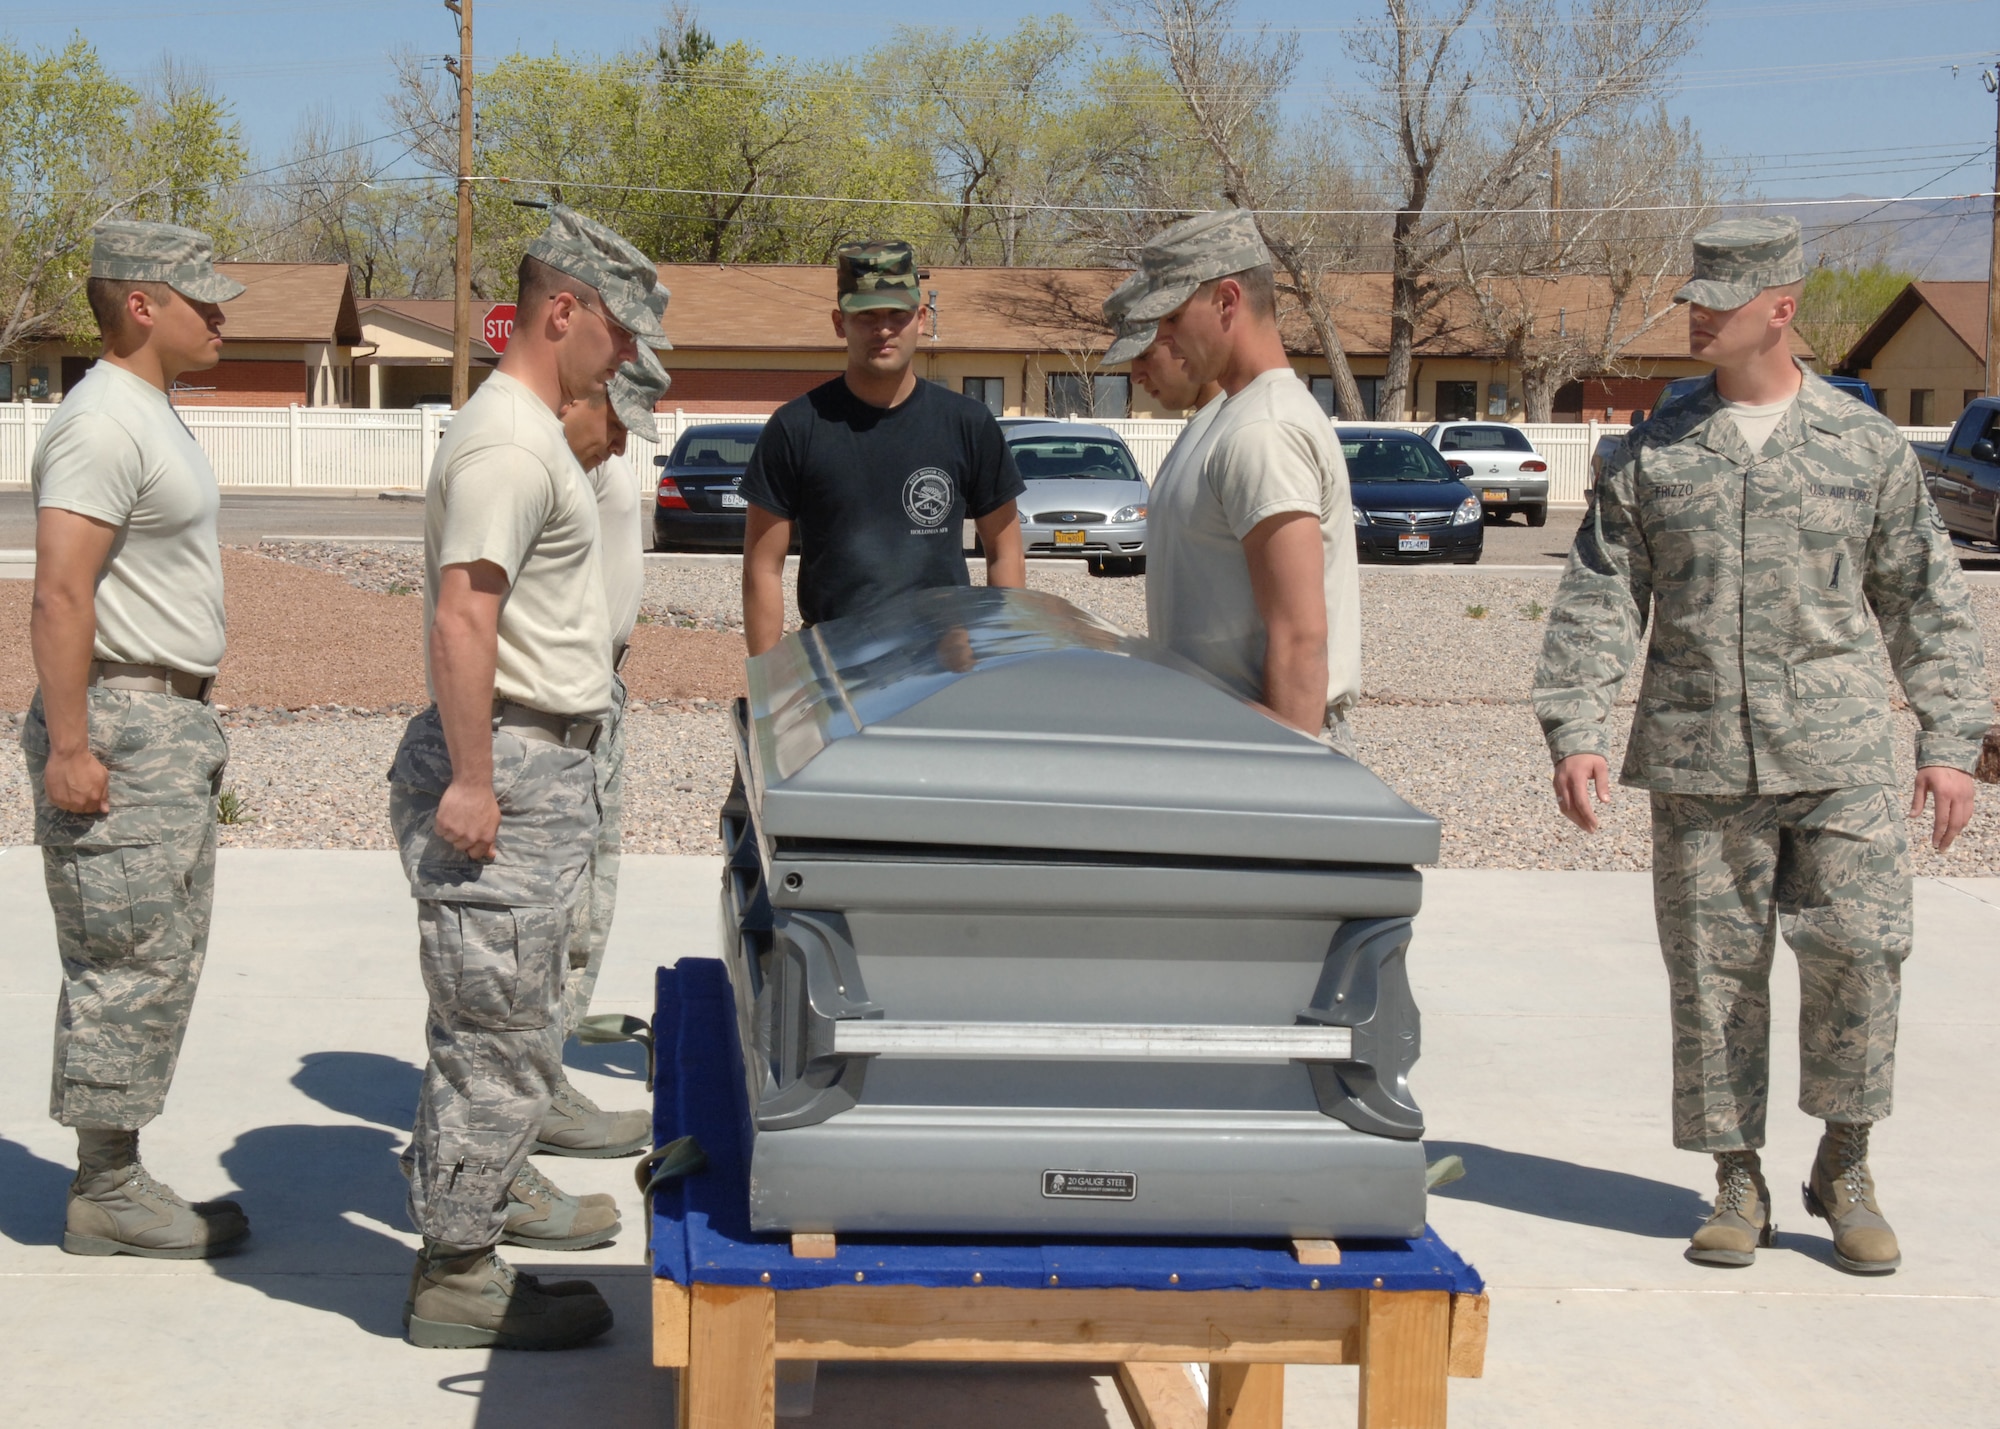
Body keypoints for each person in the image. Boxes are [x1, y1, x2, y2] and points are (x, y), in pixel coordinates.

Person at [1533, 216, 1991, 1275]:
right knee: (1712, 976)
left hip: (1838, 760)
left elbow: (1923, 599)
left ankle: (1845, 1165)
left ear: (1777, 308)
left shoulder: (1861, 446)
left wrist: (1947, 743)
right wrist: (1575, 726)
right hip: (1698, 762)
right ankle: (1734, 1176)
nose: (1692, 313)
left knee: (1862, 962)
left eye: (1715, 298)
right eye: (1691, 294)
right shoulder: (1650, 454)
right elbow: (1600, 598)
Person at [387, 205, 667, 1350]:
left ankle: (477, 1228)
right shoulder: (508, 441)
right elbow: (467, 610)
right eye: (616, 330)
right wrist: (470, 778)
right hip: (506, 754)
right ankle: (456, 1273)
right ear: (565, 310)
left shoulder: (531, 431)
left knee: (502, 1020)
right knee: (492, 1033)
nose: (625, 358)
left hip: (541, 755)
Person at [22, 220, 249, 1260]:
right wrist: (71, 745)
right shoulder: (103, 421)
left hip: (163, 722)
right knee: (123, 959)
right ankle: (105, 1185)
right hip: (120, 718)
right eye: (202, 296)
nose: (222, 312)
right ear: (143, 304)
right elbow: (62, 591)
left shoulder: (146, 413)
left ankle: (117, 1169)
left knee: (157, 957)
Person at [1116, 209, 1361, 752]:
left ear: (1227, 301)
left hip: (1257, 750)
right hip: (1227, 741)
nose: (1163, 336)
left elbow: (1300, 641)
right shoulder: (1238, 416)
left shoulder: (1264, 429)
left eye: (1174, 317)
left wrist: (1274, 793)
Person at [740, 240, 1026, 655]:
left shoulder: (967, 423)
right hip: (836, 667)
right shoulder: (796, 427)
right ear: (840, 322)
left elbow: (1005, 554)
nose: (884, 328)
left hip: (943, 666)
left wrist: (1003, 662)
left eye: (897, 313)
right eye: (866, 315)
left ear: (921, 318)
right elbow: (762, 569)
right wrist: (770, 688)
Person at [542, 341, 673, 1160]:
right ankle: (526, 1091)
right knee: (554, 912)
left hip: (601, 690)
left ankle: (542, 1078)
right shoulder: (561, 447)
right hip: (562, 700)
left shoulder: (597, 444)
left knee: (591, 902)